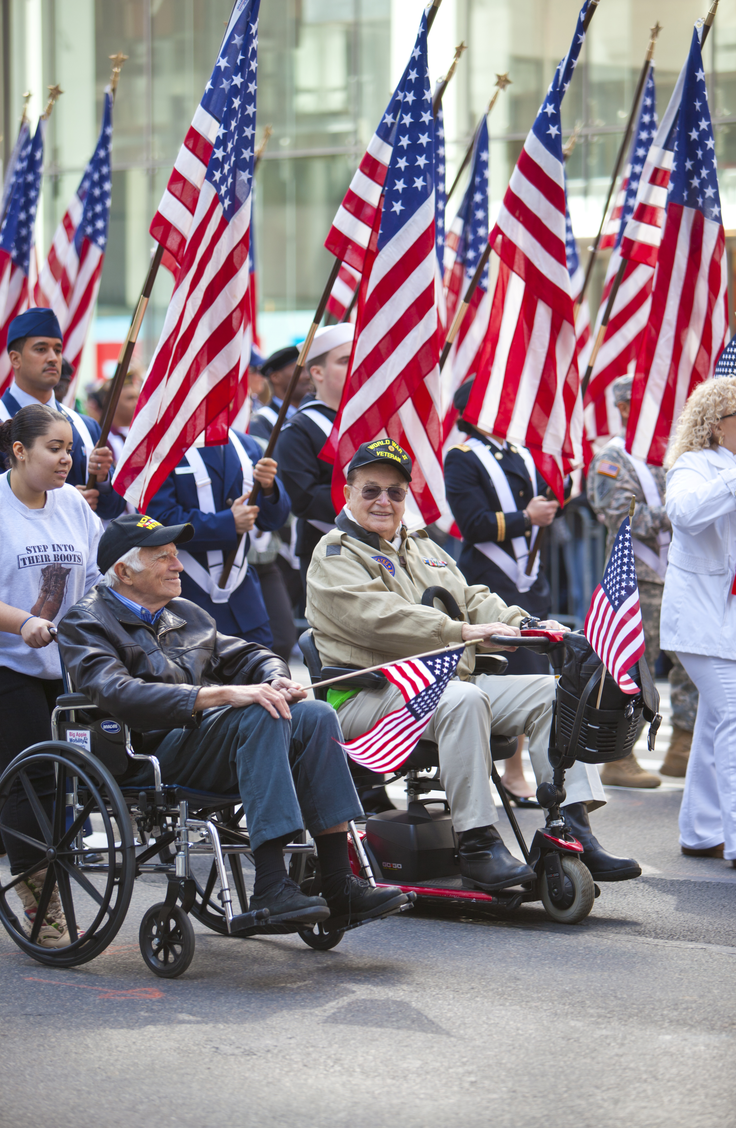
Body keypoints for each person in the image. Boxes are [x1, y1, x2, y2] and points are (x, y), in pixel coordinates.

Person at [306, 438, 641, 892]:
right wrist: (456, 630)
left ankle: (570, 829)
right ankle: (477, 842)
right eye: (371, 490)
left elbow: (473, 599)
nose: (384, 501)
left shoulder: (422, 546)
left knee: (554, 691)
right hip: (369, 697)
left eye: (395, 492)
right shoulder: (334, 555)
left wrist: (529, 627)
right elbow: (375, 617)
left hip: (441, 687)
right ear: (347, 493)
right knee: (462, 698)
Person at [57, 514, 407, 926]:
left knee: (315, 713)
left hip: (202, 737)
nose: (179, 565)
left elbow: (251, 655)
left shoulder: (184, 612)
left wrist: (276, 677)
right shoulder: (86, 621)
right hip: (145, 752)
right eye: (164, 557)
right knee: (258, 712)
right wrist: (221, 694)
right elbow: (118, 694)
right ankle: (272, 886)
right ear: (124, 571)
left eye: (175, 555)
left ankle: (338, 882)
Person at [0, 404, 102, 947]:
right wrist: (26, 622)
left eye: (69, 449)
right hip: (8, 661)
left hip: (65, 665)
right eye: (54, 449)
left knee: (64, 783)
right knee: (32, 781)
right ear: (20, 451)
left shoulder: (73, 507)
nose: (67, 459)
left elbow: (99, 576)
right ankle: (47, 913)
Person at [445, 379, 560, 805]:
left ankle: (534, 770)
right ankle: (512, 772)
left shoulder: (521, 451)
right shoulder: (462, 457)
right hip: (491, 576)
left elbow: (549, 499)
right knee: (510, 670)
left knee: (539, 668)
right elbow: (472, 523)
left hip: (531, 577)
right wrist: (526, 518)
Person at [588, 374, 699, 785]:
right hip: (636, 582)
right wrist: (687, 507)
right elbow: (623, 517)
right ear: (622, 408)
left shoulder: (666, 457)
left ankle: (683, 749)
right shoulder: (612, 459)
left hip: (677, 577)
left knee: (689, 664)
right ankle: (618, 758)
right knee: (630, 670)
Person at [660, 377, 736, 869]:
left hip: (728, 618)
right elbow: (684, 514)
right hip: (702, 618)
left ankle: (700, 829)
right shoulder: (693, 466)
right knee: (733, 717)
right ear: (717, 424)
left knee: (715, 723)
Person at [145, 429, 293, 655]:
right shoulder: (164, 444)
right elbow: (158, 521)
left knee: (259, 679)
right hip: (186, 596)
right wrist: (226, 523)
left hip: (243, 599)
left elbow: (273, 519)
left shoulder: (247, 444)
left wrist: (269, 488)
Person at [0, 308, 126, 521]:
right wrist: (67, 501)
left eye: (57, 350)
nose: (53, 358)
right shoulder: (3, 417)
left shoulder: (86, 425)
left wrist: (103, 478)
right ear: (15, 359)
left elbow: (113, 509)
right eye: (41, 349)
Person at [275, 323, 354, 589]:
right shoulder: (298, 429)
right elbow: (303, 499)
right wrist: (367, 504)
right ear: (317, 372)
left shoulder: (364, 420)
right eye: (345, 361)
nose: (355, 366)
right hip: (328, 549)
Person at [249, 346, 306, 443]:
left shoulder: (311, 415)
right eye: (299, 370)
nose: (308, 376)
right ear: (275, 377)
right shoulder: (262, 422)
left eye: (307, 370)